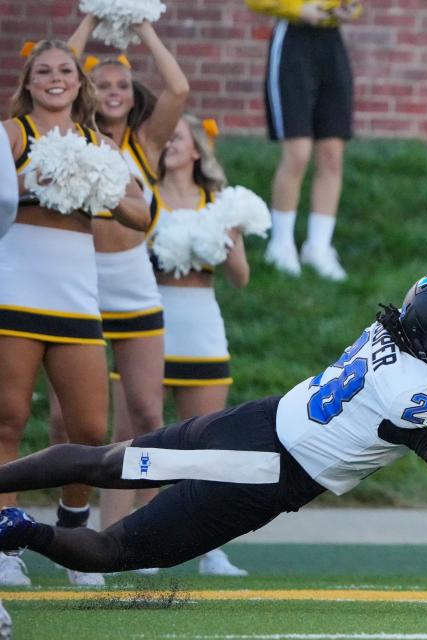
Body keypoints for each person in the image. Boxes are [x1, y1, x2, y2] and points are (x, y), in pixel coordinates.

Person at [0, 272, 427, 575]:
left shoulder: (390, 335)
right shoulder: (419, 393)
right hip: (264, 471)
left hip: (254, 422)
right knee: (119, 550)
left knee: (103, 463)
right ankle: (22, 530)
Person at [44, 16, 190, 586]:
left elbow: (177, 90)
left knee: (148, 413)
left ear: (132, 97)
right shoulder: (71, 133)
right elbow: (52, 75)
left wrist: (142, 27)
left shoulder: (146, 142)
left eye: (122, 85)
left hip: (134, 281)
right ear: (85, 88)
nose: (110, 91)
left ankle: (140, 531)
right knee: (69, 419)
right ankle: (71, 520)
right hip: (77, 280)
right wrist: (90, 20)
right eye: (99, 83)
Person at [0, 40, 149, 585]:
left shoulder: (97, 143)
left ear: (78, 82)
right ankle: (4, 541)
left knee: (88, 430)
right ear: (29, 81)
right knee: (8, 419)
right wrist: (32, 182)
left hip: (77, 303)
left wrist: (99, 190)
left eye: (65, 70)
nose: (55, 79)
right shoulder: (13, 134)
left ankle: (72, 533)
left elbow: (141, 212)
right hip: (14, 297)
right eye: (44, 71)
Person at [149, 114, 250, 576]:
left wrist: (230, 241)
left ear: (196, 150)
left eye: (178, 137)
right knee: (142, 436)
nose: (169, 143)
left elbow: (241, 279)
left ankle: (210, 548)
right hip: (148, 324)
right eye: (163, 136)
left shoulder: (219, 204)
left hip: (202, 325)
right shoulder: (142, 197)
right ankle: (137, 539)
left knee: (206, 438)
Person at [247, 0, 362, 280]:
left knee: (332, 154)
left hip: (331, 41)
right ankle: (281, 244)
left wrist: (349, 9)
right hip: (293, 40)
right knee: (297, 153)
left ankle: (319, 247)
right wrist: (298, 10)